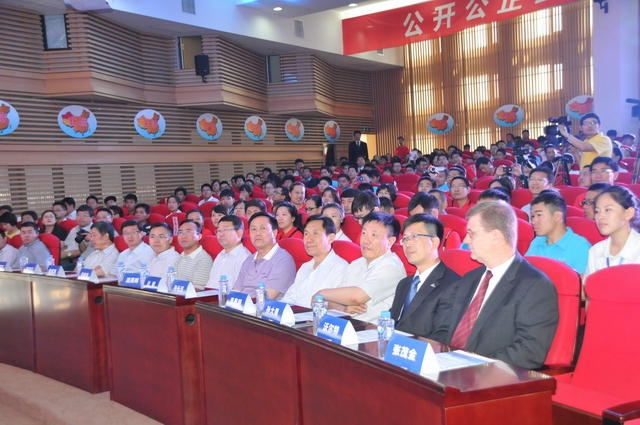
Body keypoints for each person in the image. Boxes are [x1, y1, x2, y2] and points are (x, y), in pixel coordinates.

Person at [430, 201, 559, 369]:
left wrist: (471, 366)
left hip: (489, 376)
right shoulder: (470, 279)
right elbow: (445, 328)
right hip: (448, 369)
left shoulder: (535, 286)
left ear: (495, 236)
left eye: (471, 234)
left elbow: (529, 351)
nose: (466, 240)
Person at [313, 212, 406, 323]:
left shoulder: (392, 266)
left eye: (374, 235)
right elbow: (332, 300)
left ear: (390, 241)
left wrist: (321, 293)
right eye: (364, 233)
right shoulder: (356, 264)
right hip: (349, 326)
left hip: (375, 330)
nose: (366, 240)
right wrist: (343, 309)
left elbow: (357, 297)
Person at [389, 215, 460, 337]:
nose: (407, 244)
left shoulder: (453, 285)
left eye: (414, 237)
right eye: (405, 239)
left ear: (434, 242)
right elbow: (391, 322)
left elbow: (442, 336)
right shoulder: (404, 284)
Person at [280, 216, 349, 307]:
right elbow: (289, 298)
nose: (309, 239)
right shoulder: (305, 267)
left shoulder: (340, 268)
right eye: (306, 234)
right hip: (295, 315)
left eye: (315, 233)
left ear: (330, 238)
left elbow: (336, 308)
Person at [233, 212, 297, 299]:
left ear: (274, 233)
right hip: (241, 305)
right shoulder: (249, 259)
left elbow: (265, 298)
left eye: (263, 228)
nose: (257, 233)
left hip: (261, 306)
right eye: (253, 229)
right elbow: (236, 291)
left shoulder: (283, 260)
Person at [526, 190, 591, 275]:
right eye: (533, 216)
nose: (534, 221)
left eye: (539, 215)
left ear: (557, 216)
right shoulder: (537, 241)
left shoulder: (580, 246)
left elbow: (582, 282)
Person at [584, 186, 640, 279]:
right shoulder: (595, 251)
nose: (600, 216)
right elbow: (589, 286)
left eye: (608, 210)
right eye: (597, 211)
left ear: (628, 213)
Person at [206, 215, 251, 289]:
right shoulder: (220, 255)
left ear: (239, 233)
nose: (221, 234)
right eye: (219, 230)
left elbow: (238, 291)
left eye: (225, 229)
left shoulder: (244, 259)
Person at [174, 219, 213, 289]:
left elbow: (198, 290)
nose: (183, 236)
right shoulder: (181, 256)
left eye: (188, 232)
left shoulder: (204, 259)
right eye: (180, 232)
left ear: (199, 236)